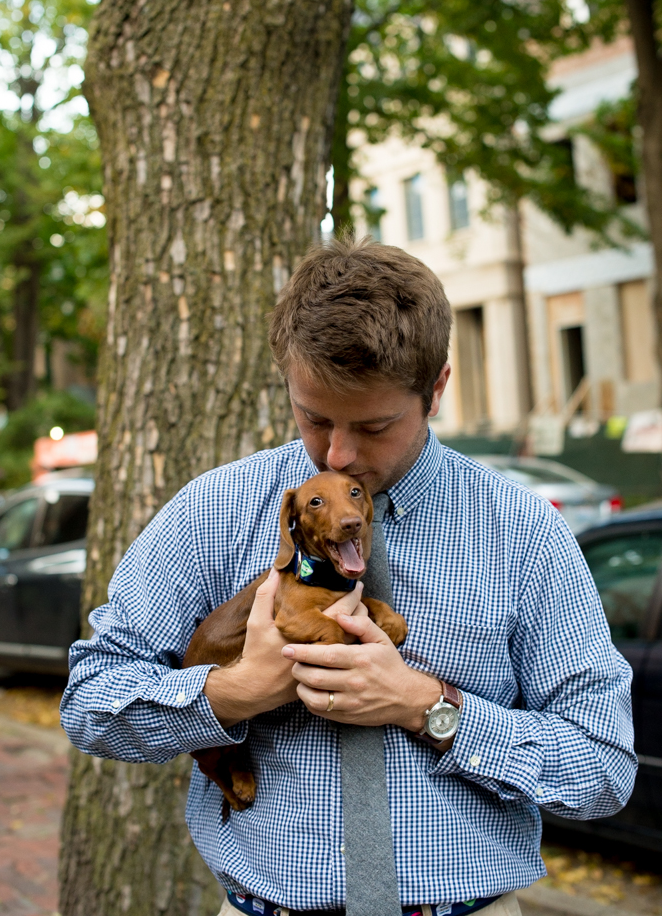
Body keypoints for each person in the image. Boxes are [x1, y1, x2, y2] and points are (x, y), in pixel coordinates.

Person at [61, 236, 635, 916]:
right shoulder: (214, 511)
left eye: (374, 425)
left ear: (437, 388)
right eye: (314, 418)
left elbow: (604, 764)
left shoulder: (523, 532)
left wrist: (430, 708)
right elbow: (91, 698)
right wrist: (234, 692)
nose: (338, 452)